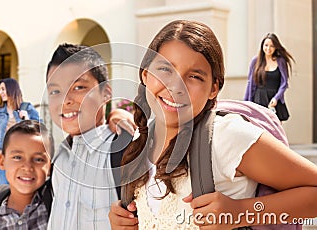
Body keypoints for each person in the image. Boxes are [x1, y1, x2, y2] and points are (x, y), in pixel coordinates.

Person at [108, 20, 317, 229]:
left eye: (195, 76)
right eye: (165, 69)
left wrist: (241, 212)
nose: (176, 86)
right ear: (145, 75)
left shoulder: (225, 136)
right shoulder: (142, 139)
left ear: (213, 89)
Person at [46, 43, 134, 230]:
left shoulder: (123, 151)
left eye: (78, 87)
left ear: (106, 93)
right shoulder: (58, 159)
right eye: (55, 91)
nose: (65, 100)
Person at [0, 119, 52, 230]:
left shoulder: (56, 211)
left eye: (38, 159)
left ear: (50, 167)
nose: (27, 167)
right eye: (17, 157)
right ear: (2, 162)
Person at [0, 78, 40, 185]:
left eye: (3, 89)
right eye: (0, 89)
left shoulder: (27, 107)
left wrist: (27, 118)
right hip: (3, 157)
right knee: (3, 189)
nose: (0, 92)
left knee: (20, 190)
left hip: (22, 157)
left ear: (11, 90)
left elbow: (40, 129)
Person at [244, 33, 295, 122]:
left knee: (276, 132)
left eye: (272, 46)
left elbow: (284, 83)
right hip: (259, 99)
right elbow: (250, 84)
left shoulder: (281, 61)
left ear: (275, 47)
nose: (268, 48)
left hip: (275, 101)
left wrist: (276, 98)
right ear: (262, 46)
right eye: (266, 45)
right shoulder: (255, 61)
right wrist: (246, 104)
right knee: (260, 130)